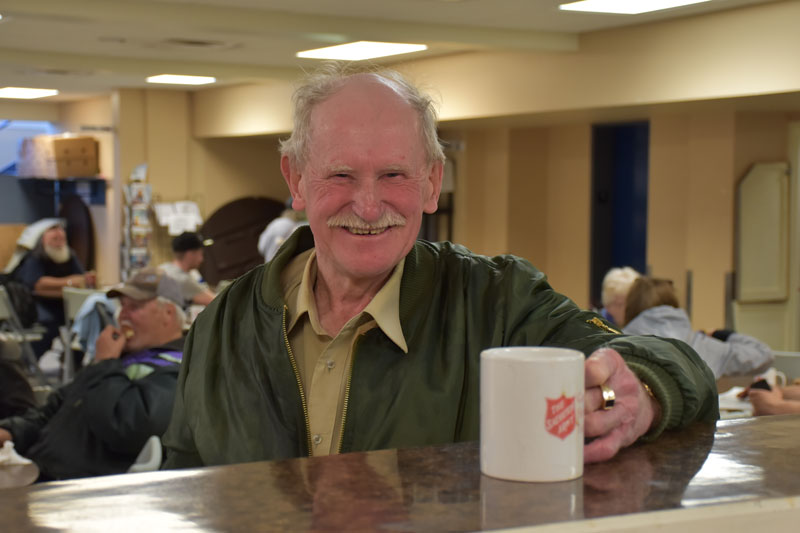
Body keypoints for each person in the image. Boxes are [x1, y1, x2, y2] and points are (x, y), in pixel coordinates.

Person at [162, 63, 718, 470]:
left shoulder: (497, 301)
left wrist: (639, 391)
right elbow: (180, 485)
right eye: (341, 176)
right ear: (295, 179)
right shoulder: (224, 325)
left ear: (431, 182)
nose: (370, 206)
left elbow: (672, 362)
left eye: (394, 175)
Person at [0, 267, 185, 480]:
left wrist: (106, 363)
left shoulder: (178, 369)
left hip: (80, 492)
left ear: (168, 314)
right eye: (122, 306)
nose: (122, 315)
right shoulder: (121, 359)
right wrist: (11, 432)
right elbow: (53, 409)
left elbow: (128, 426)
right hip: (36, 471)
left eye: (134, 307)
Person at [622, 276, 773, 379]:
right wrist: (724, 335)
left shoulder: (616, 344)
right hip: (700, 426)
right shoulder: (704, 346)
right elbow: (763, 355)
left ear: (630, 307)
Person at [12, 221, 96, 355]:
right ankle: (30, 363)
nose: (59, 241)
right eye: (54, 238)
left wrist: (85, 280)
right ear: (43, 239)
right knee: (48, 326)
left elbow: (80, 279)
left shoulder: (70, 256)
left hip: (64, 305)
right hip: (38, 306)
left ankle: (73, 362)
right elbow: (37, 284)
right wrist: (68, 283)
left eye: (62, 238)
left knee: (87, 322)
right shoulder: (35, 257)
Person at [159, 231, 215, 307]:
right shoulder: (182, 279)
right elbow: (215, 302)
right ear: (190, 254)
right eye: (201, 254)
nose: (202, 259)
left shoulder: (163, 268)